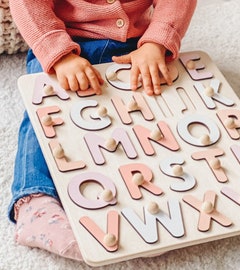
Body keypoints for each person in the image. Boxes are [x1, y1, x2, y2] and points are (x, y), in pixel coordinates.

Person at [8, 0, 197, 261]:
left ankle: (150, 200)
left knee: (148, 118)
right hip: (65, 44)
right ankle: (34, 201)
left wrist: (157, 43)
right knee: (46, 114)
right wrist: (59, 55)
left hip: (136, 48)